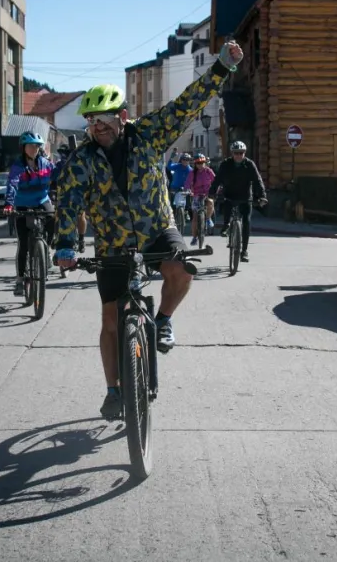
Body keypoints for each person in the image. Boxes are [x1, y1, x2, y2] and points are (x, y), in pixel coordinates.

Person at [53, 40, 243, 420]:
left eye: (104, 119)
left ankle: (165, 319)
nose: (98, 127)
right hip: (112, 242)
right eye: (91, 121)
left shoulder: (149, 134)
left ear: (122, 116)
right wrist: (65, 246)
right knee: (110, 319)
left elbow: (187, 104)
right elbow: (68, 202)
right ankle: (112, 391)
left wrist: (222, 67)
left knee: (182, 270)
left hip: (157, 228)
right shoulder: (82, 161)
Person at [4, 132, 56, 297]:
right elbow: (12, 184)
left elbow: (59, 176)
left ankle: (46, 248)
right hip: (22, 203)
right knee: (24, 244)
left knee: (53, 218)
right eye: (31, 146)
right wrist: (9, 204)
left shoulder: (46, 164)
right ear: (23, 148)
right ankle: (20, 280)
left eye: (37, 146)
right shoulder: (18, 166)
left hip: (41, 200)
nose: (34, 149)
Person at [208, 141, 267, 263]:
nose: (239, 155)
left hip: (245, 196)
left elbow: (258, 181)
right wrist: (212, 192)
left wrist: (262, 196)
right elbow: (217, 179)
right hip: (230, 194)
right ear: (232, 154)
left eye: (241, 153)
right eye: (236, 153)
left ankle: (244, 251)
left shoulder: (250, 164)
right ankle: (226, 226)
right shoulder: (226, 164)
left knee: (246, 222)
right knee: (227, 208)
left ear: (244, 153)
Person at [51, 143, 86, 252]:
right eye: (61, 154)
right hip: (62, 197)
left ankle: (81, 239)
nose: (63, 156)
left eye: (65, 154)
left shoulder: (80, 164)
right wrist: (52, 193)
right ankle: (56, 236)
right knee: (57, 215)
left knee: (81, 216)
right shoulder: (58, 167)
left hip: (78, 195)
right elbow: (52, 182)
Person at [184, 152, 215, 242]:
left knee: (211, 202)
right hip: (196, 195)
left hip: (207, 193)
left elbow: (215, 180)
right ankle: (194, 237)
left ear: (205, 163)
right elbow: (187, 183)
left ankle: (208, 219)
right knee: (195, 217)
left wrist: (218, 187)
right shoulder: (192, 173)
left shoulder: (208, 171)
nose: (200, 165)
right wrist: (187, 190)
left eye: (202, 163)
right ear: (195, 164)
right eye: (198, 163)